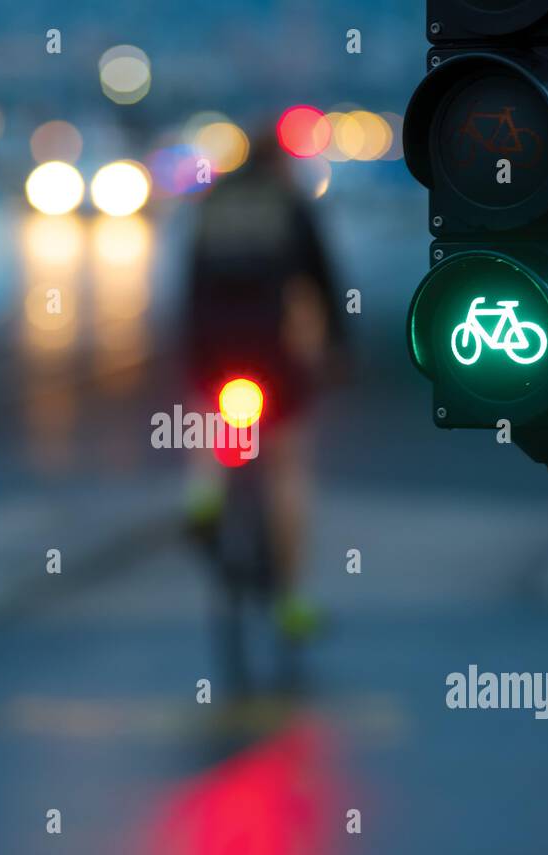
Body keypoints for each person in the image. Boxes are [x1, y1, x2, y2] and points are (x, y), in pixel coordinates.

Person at [181, 128, 347, 641]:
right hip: (271, 346)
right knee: (286, 463)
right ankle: (293, 600)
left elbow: (189, 281)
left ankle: (203, 493)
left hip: (212, 342)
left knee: (210, 412)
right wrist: (338, 347)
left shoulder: (214, 204)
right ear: (281, 164)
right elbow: (322, 280)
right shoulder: (290, 206)